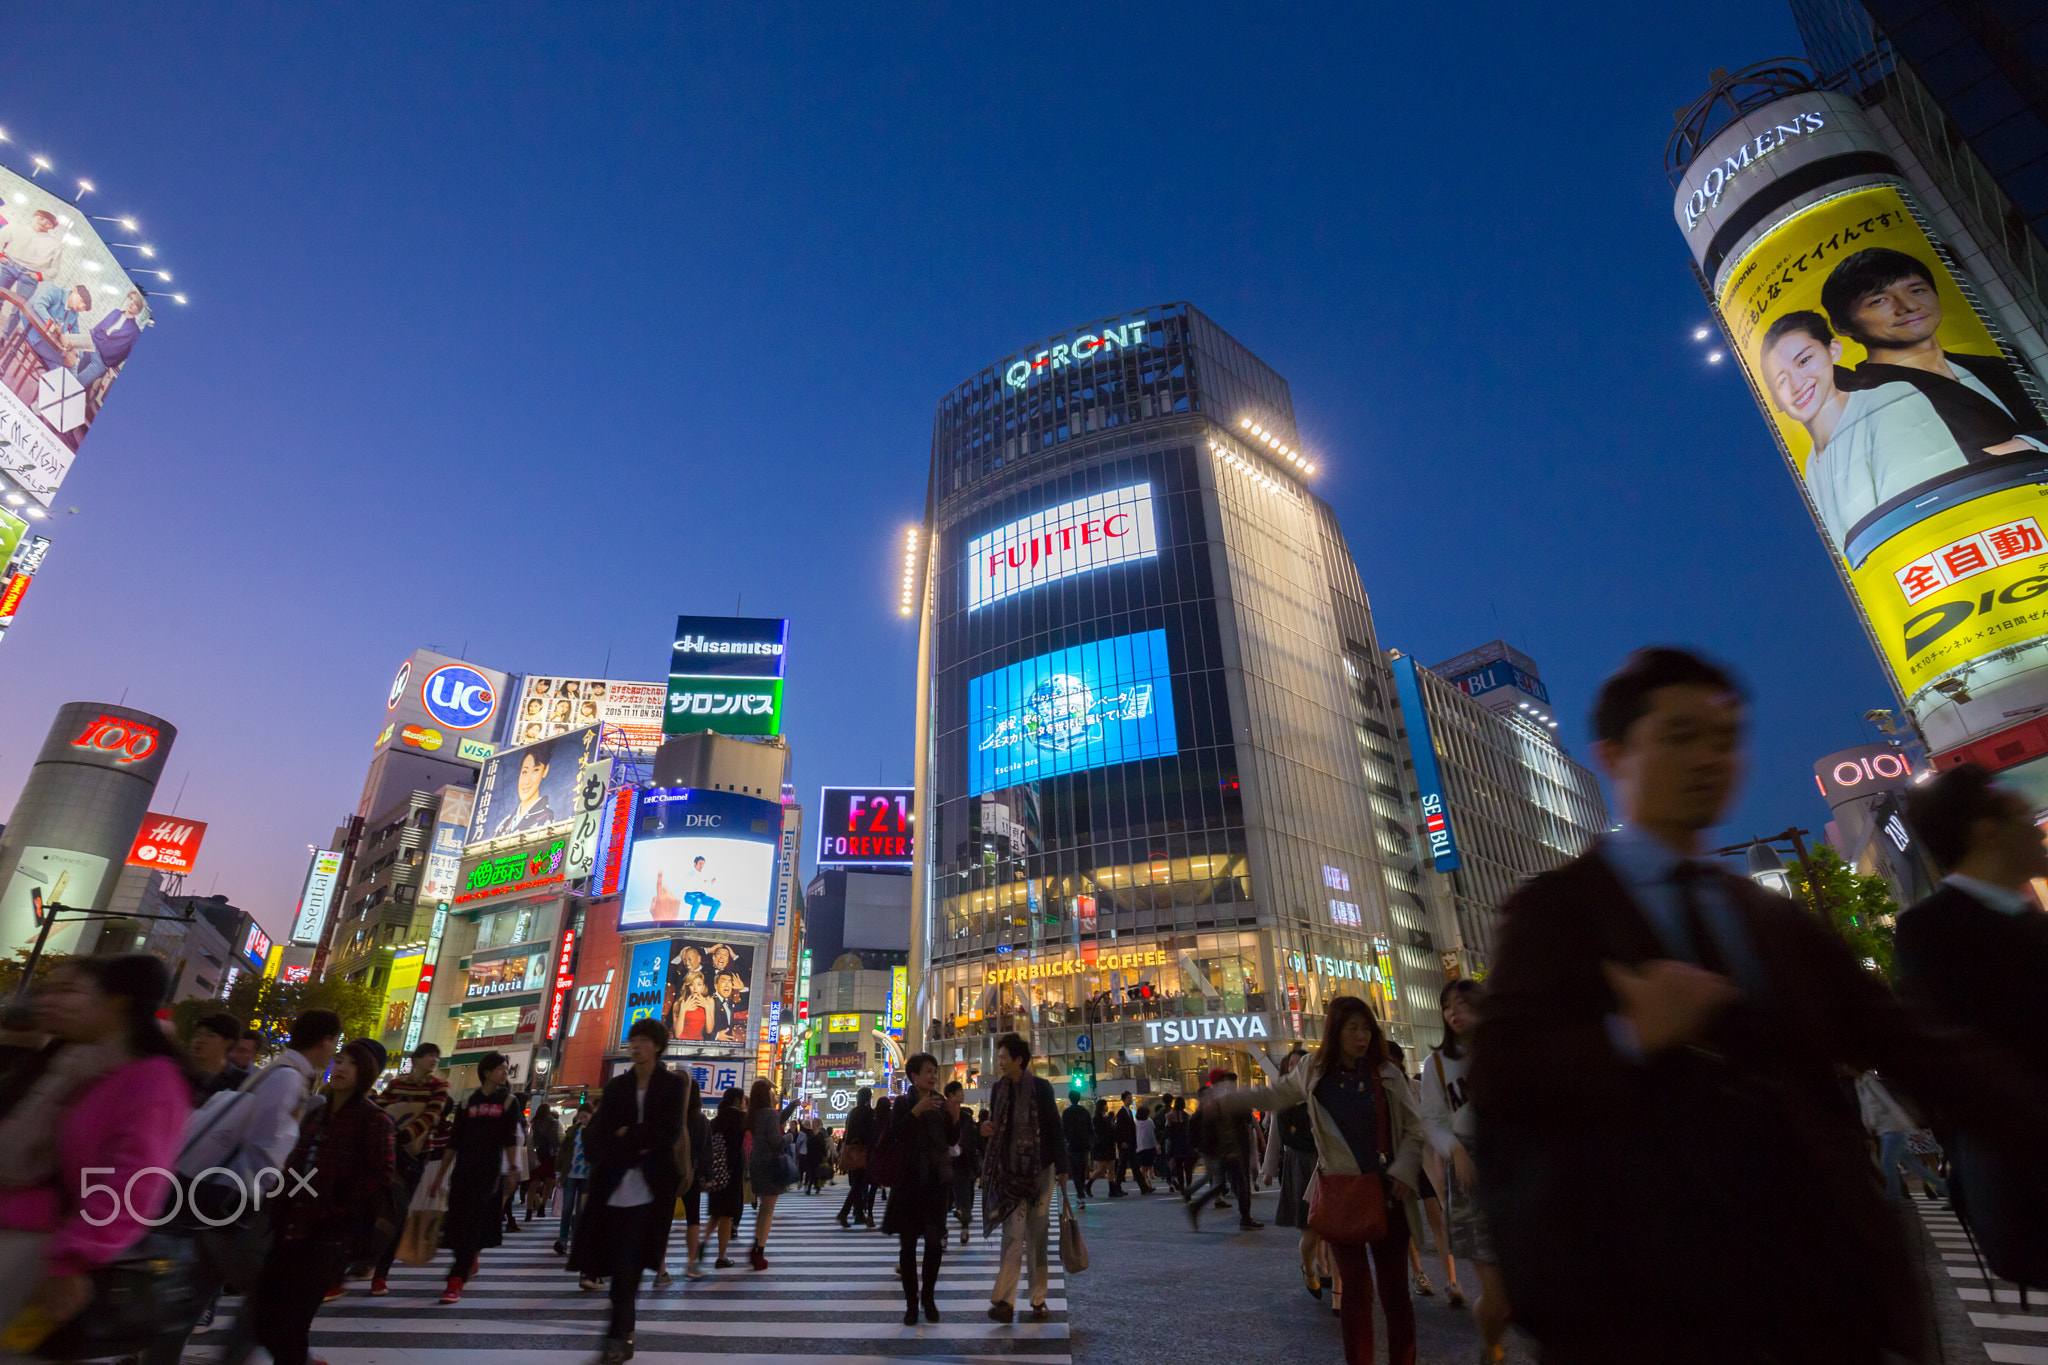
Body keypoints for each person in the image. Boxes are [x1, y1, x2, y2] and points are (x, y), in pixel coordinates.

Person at [1471, 646, 2048, 1363]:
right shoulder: (1556, 912)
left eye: (1724, 739)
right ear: (1616, 754)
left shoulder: (1770, 920)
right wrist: (1627, 1034)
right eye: (1680, 737)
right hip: (1644, 1308)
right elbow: (1500, 1074)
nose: (1710, 758)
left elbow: (1912, 1044)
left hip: (1817, 1299)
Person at [1897, 762, 2048, 1285]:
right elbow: (1940, 1067)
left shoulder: (2029, 921)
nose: (2036, 826)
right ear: (1988, 832)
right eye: (2022, 815)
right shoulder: (1931, 934)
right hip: (2028, 1184)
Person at [0, 957, 192, 1360]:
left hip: (36, 1256)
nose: (54, 1000)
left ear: (114, 1003)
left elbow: (133, 1182)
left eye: (72, 991)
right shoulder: (72, 1058)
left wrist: (74, 1257)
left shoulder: (150, 1078)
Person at [1220, 996, 1424, 1365]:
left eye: (1367, 1029)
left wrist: (1405, 1170)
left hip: (1388, 1191)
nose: (1362, 1037)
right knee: (1356, 1295)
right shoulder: (1314, 1069)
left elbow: (1414, 1128)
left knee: (1395, 1295)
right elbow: (1274, 1094)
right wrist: (1224, 1102)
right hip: (1340, 1191)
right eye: (1353, 1028)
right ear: (1335, 1031)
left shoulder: (1385, 1071)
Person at [152, 1009, 340, 1365]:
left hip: (217, 1193)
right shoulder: (287, 1078)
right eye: (335, 1043)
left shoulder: (279, 1072)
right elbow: (265, 1145)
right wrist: (269, 1194)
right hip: (237, 1200)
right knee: (266, 1293)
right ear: (326, 1040)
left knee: (193, 1294)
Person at [1760, 310, 1979, 547]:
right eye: (1781, 380)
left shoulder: (1888, 401)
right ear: (1775, 400)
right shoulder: (1812, 465)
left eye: (1804, 360)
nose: (1797, 384)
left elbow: (1921, 518)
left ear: (1833, 350)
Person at [250, 1038, 396, 1365]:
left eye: (352, 1063)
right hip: (290, 1225)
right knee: (263, 1322)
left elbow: (380, 1176)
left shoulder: (374, 1120)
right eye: (340, 1059)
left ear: (367, 1072)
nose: (341, 1067)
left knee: (290, 1326)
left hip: (329, 1235)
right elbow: (295, 1161)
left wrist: (339, 1201)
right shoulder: (318, 1113)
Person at [1822, 246, 2048, 457]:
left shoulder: (1992, 366)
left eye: (1917, 290)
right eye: (1879, 300)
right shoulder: (1865, 398)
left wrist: (2027, 444)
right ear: (1841, 326)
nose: (1909, 306)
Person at [571, 1019, 694, 1363]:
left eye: (643, 1040)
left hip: (652, 1191)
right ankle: (623, 1334)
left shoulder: (671, 1086)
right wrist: (631, 1137)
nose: (635, 1045)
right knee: (615, 1264)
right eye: (632, 1039)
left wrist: (629, 1134)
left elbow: (667, 1134)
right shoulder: (617, 1087)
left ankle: (617, 1337)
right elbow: (603, 1131)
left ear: (657, 1045)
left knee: (630, 1265)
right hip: (614, 1187)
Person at [1421, 981, 1497, 1342]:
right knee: (1494, 1286)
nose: (1454, 1012)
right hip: (1466, 1166)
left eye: (1463, 1003)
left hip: (1509, 1162)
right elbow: (1433, 1121)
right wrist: (1456, 1150)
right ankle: (1492, 1346)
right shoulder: (1435, 1064)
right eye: (1447, 1005)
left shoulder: (1503, 1050)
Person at [978, 1032, 1067, 1323]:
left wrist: (1063, 1169)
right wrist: (987, 1128)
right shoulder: (998, 1089)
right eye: (998, 1056)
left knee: (1037, 1235)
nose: (999, 1062)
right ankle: (1005, 1301)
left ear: (1019, 1060)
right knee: (1012, 1235)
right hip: (1010, 1173)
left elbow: (1054, 1128)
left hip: (1041, 1171)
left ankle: (1038, 1298)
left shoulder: (1040, 1088)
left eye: (1004, 1057)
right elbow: (996, 1124)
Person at [440, 1052, 522, 1304]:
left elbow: (510, 1138)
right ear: (486, 1072)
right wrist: (439, 1176)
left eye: (506, 1070)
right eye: (500, 1069)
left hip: (489, 1173)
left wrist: (513, 1169)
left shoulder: (509, 1102)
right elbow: (454, 1141)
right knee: (457, 1222)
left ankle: (456, 1278)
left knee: (474, 1221)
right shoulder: (467, 1103)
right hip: (463, 1171)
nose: (504, 1073)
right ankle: (467, 1259)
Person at [369, 1043, 450, 1295]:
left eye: (437, 1056)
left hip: (415, 1157)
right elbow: (380, 1108)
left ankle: (380, 1274)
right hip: (388, 1153)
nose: (434, 1059)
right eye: (429, 1055)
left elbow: (432, 1115)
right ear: (416, 1059)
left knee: (399, 1212)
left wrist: (407, 1134)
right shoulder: (396, 1084)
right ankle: (362, 1262)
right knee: (373, 1207)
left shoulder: (439, 1086)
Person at [1258, 1047, 1331, 1300]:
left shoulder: (1319, 1093)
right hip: (1298, 1163)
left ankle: (1322, 1263)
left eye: (1301, 1064)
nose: (1296, 1069)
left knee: (1325, 1220)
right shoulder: (1285, 1097)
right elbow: (1280, 1136)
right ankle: (1314, 1265)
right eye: (1291, 1065)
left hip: (1323, 1161)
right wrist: (1268, 1169)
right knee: (1308, 1221)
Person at [886, 1054, 953, 1325]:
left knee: (935, 1244)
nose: (933, 1076)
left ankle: (929, 1298)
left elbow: (951, 1140)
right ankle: (912, 1304)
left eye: (935, 1071)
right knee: (908, 1246)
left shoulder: (941, 1104)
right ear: (914, 1076)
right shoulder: (902, 1104)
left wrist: (956, 1120)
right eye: (927, 1071)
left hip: (936, 1185)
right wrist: (917, 1110)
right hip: (909, 1184)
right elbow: (896, 1135)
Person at [1855, 1069, 1946, 1203]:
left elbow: (1893, 1107)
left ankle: (1895, 1199)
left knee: (1912, 1160)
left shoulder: (1874, 1084)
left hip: (1905, 1126)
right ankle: (1941, 1187)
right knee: (1922, 1160)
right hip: (1907, 1126)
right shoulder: (1865, 1083)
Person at [745, 1078, 799, 1268]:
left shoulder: (754, 1114)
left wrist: (792, 1106)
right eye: (771, 1091)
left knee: (762, 1209)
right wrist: (789, 1137)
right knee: (768, 1211)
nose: (773, 1093)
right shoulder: (768, 1113)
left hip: (757, 1164)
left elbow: (777, 1120)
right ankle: (759, 1252)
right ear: (765, 1094)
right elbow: (776, 1142)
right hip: (771, 1166)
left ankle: (756, 1245)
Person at [703, 1088, 747, 1267]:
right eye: (743, 1099)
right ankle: (721, 1256)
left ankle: (702, 1243)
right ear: (737, 1100)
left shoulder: (715, 1121)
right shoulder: (739, 1119)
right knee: (727, 1216)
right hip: (732, 1172)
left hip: (715, 1172)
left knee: (715, 1213)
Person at [72, 288, 146, 389]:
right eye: (131, 299)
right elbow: (99, 326)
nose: (131, 303)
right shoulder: (116, 312)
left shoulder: (135, 333)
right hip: (91, 346)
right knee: (73, 375)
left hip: (101, 361)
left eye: (135, 303)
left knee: (77, 384)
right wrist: (90, 338)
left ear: (138, 311)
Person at [492, 742, 556, 837]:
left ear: (545, 770)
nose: (527, 781)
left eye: (535, 770)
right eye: (524, 772)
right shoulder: (505, 823)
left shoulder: (546, 817)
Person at [554, 1106, 592, 1255]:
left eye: (585, 1117)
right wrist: (558, 1173)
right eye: (580, 1117)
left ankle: (577, 1242)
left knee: (581, 1211)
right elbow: (563, 1153)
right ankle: (562, 1241)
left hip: (587, 1176)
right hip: (570, 1174)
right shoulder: (572, 1131)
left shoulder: (595, 1131)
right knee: (567, 1208)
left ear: (591, 1115)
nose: (582, 1120)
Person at [837, 1087, 876, 1228]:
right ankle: (844, 1212)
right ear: (868, 1098)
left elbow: (847, 1133)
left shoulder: (852, 1112)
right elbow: (870, 1133)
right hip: (862, 1152)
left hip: (850, 1151)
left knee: (856, 1183)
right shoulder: (868, 1113)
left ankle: (859, 1215)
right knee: (859, 1184)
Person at [947, 1080, 980, 1240]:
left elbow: (973, 1139)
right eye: (960, 1091)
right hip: (945, 1164)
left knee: (966, 1197)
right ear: (951, 1095)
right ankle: (943, 1235)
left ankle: (965, 1228)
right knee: (944, 1201)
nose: (963, 1093)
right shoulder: (942, 1115)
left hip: (963, 1163)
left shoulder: (966, 1117)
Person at [187, 1011, 247, 1097]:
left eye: (210, 1035)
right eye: (197, 1035)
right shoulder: (179, 1073)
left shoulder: (241, 1082)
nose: (200, 1040)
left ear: (229, 1043)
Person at [526, 1099, 562, 1222]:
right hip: (551, 1156)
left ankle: (528, 1210)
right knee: (548, 1183)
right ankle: (542, 1206)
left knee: (533, 1184)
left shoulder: (535, 1124)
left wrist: (530, 1153)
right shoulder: (556, 1123)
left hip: (538, 1156)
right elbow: (560, 1139)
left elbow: (530, 1140)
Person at [1060, 1088, 1093, 1205]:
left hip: (1072, 1144)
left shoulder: (1066, 1113)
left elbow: (1063, 1129)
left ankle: (1079, 1192)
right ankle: (1081, 1190)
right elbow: (1090, 1128)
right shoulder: (1084, 1111)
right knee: (1082, 1168)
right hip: (1083, 1144)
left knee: (1074, 1169)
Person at [1115, 1090, 1145, 1194]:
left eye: (1131, 1097)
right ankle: (1117, 1187)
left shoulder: (1128, 1111)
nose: (1130, 1099)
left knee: (1133, 1166)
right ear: (1124, 1100)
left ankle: (1143, 1187)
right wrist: (1122, 1141)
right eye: (1128, 1098)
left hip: (1130, 1143)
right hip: (1125, 1144)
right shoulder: (1121, 1113)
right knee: (1123, 1166)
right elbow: (1119, 1129)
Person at [682, 856, 723, 922]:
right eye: (700, 863)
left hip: (702, 895)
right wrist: (703, 881)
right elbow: (690, 884)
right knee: (698, 901)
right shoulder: (689, 874)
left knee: (717, 903)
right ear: (695, 863)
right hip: (690, 895)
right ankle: (691, 921)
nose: (702, 865)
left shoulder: (704, 875)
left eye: (703, 863)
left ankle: (709, 922)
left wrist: (711, 882)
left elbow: (707, 884)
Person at [1091, 1099, 1119, 1196]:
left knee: (1111, 1167)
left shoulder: (1106, 1118)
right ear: (1101, 1106)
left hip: (1109, 1145)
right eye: (1105, 1105)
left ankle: (1112, 1190)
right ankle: (1088, 1185)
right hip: (1102, 1147)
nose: (1107, 1107)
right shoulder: (1097, 1119)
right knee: (1101, 1169)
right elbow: (1100, 1133)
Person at [1134, 1102, 1159, 1192]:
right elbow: (1153, 1134)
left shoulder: (1135, 1122)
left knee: (1142, 1167)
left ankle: (1144, 1185)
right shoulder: (1149, 1122)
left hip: (1139, 1147)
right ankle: (1148, 1183)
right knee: (1149, 1166)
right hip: (1149, 1146)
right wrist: (1156, 1144)